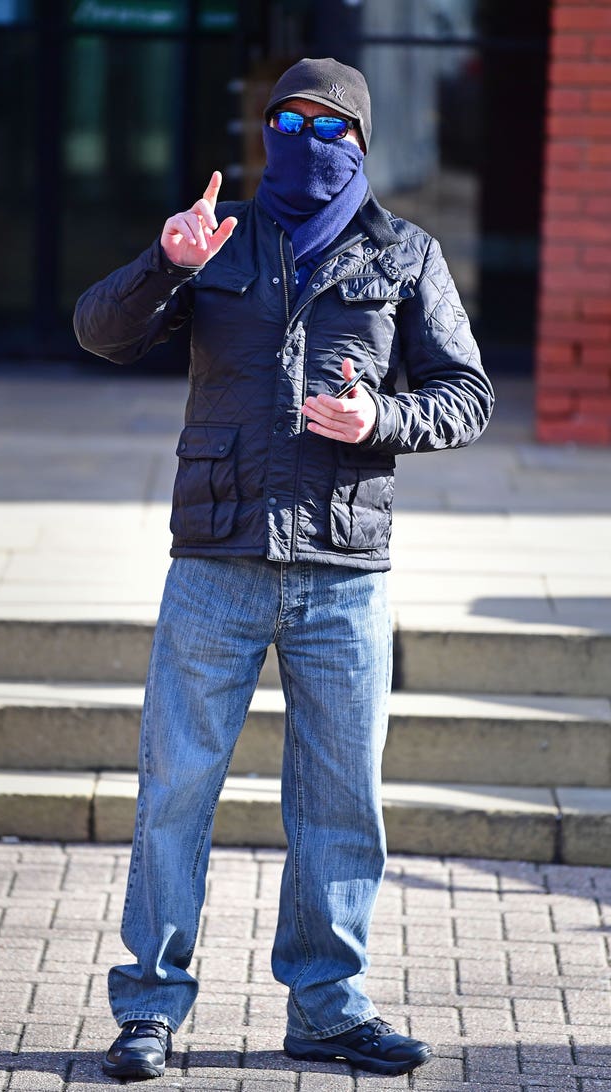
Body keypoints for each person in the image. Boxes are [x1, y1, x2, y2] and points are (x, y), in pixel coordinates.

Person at [74, 56, 494, 1082]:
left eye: (326, 125)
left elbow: (467, 393)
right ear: (266, 134)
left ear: (358, 139)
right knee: (176, 789)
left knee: (340, 800)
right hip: (215, 557)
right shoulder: (218, 240)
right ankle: (150, 1010)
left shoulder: (404, 253)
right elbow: (100, 332)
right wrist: (163, 264)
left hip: (343, 566)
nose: (304, 141)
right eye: (286, 122)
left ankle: (328, 1006)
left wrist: (378, 418)